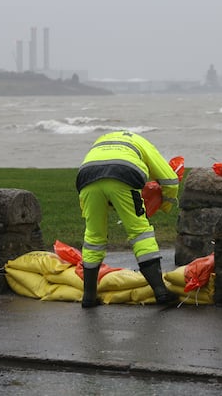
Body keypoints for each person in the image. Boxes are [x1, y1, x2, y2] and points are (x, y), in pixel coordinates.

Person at [76, 130, 180, 308]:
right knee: (140, 232)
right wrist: (164, 205)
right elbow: (170, 180)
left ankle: (89, 297)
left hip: (86, 178)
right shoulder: (142, 143)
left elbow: (101, 178)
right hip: (124, 175)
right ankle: (161, 292)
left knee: (94, 236)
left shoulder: (102, 140)